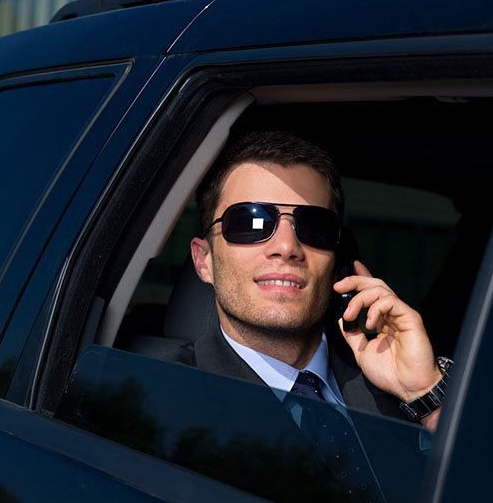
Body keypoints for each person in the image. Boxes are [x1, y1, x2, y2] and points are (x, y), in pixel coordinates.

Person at [184, 130, 449, 431]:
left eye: (314, 227)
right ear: (203, 260)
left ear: (338, 264)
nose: (287, 247)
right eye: (251, 222)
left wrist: (425, 394)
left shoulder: (395, 386)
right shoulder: (159, 396)